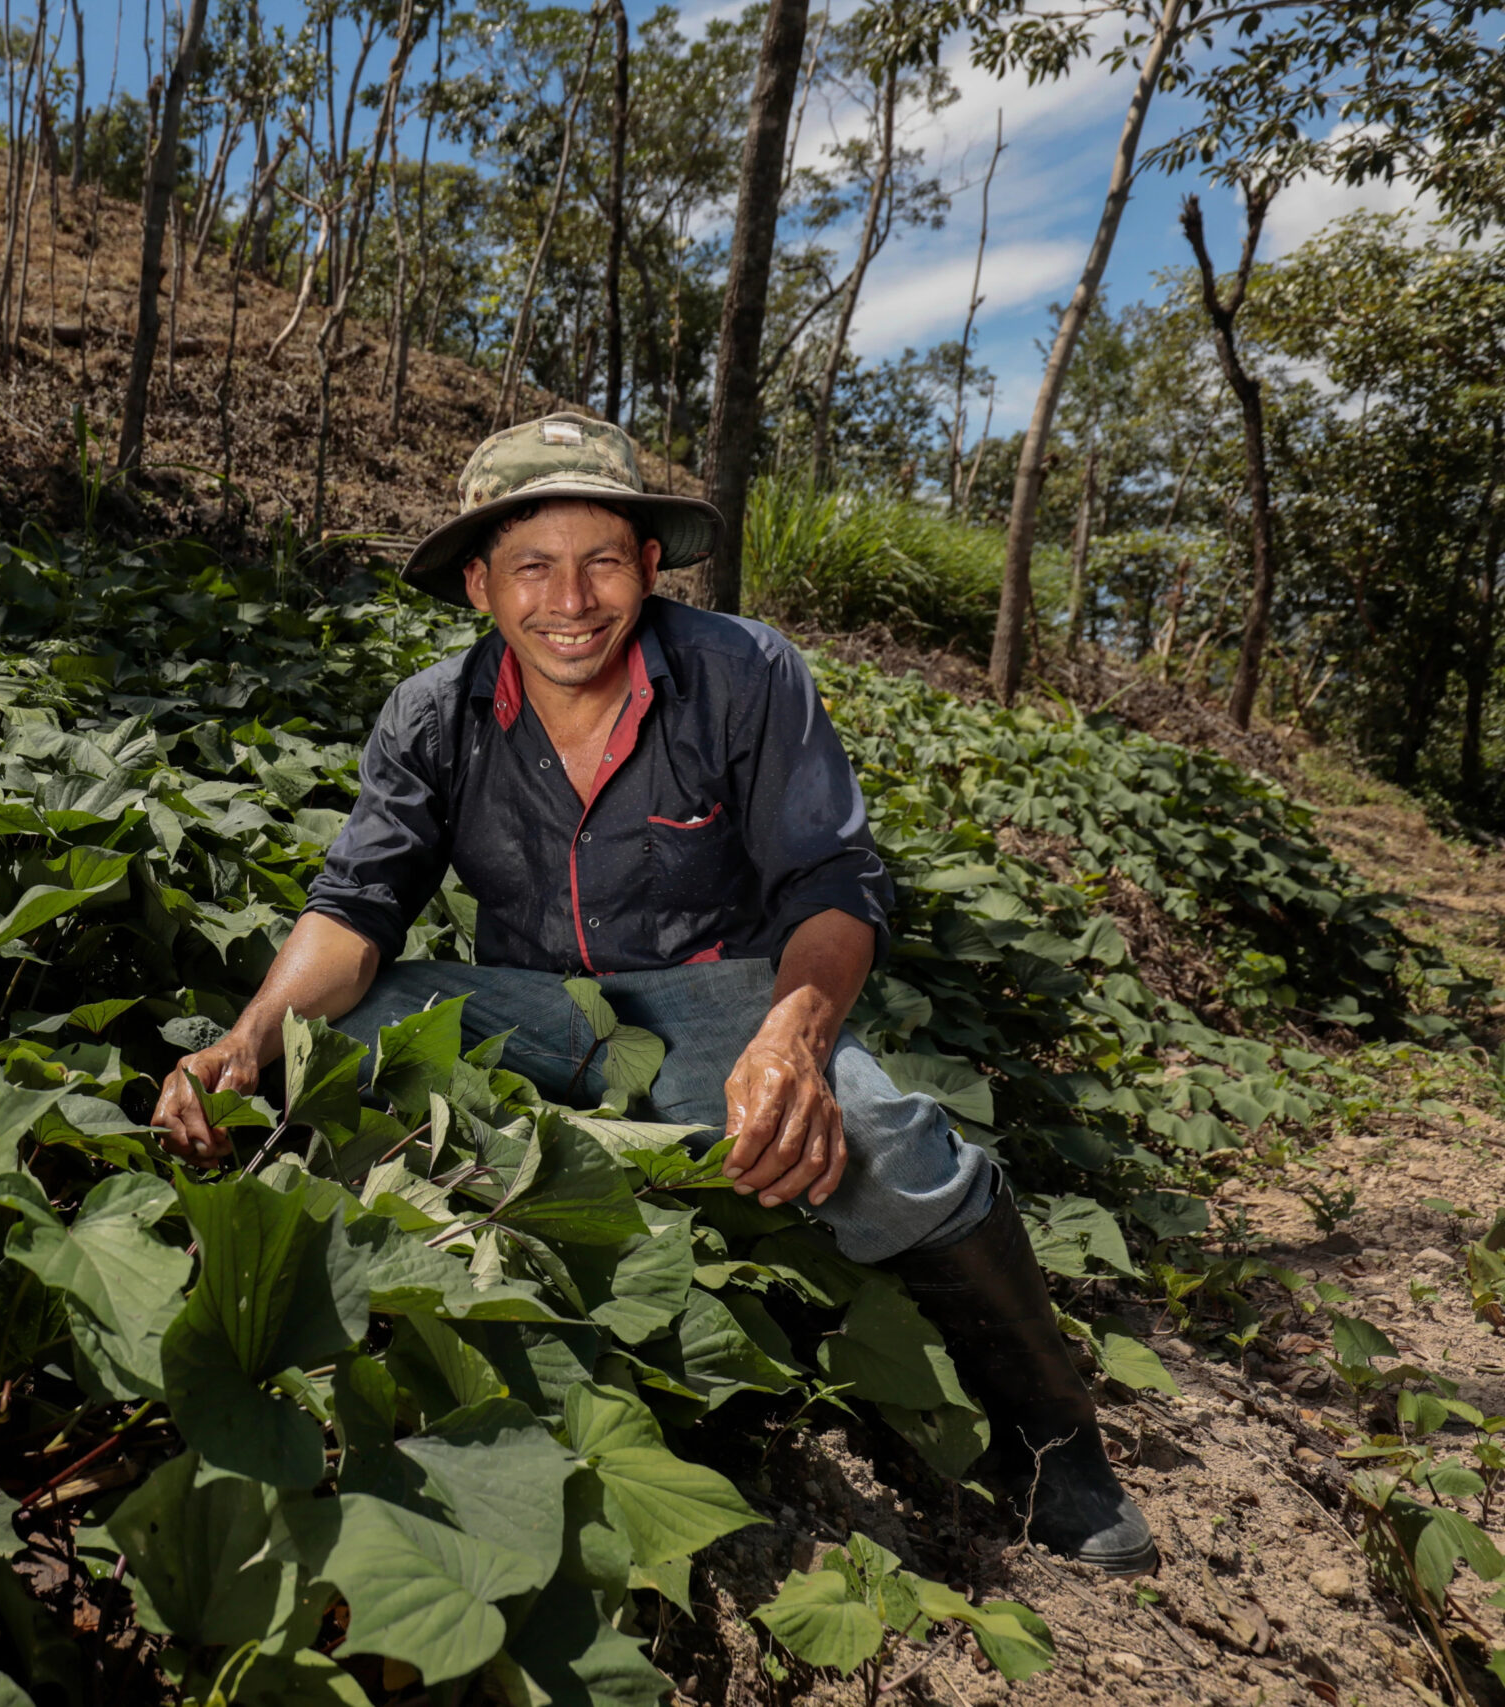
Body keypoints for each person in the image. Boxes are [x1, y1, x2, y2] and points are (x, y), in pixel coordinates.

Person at [149, 410, 1157, 1574]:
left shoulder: (740, 675)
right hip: (528, 1003)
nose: (568, 600)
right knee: (340, 1032)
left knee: (880, 1139)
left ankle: (1052, 1441)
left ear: (649, 567)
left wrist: (790, 1037)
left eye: (602, 561)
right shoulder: (432, 717)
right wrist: (244, 1038)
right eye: (531, 565)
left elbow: (831, 882)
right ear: (480, 585)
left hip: (716, 1000)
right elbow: (356, 911)